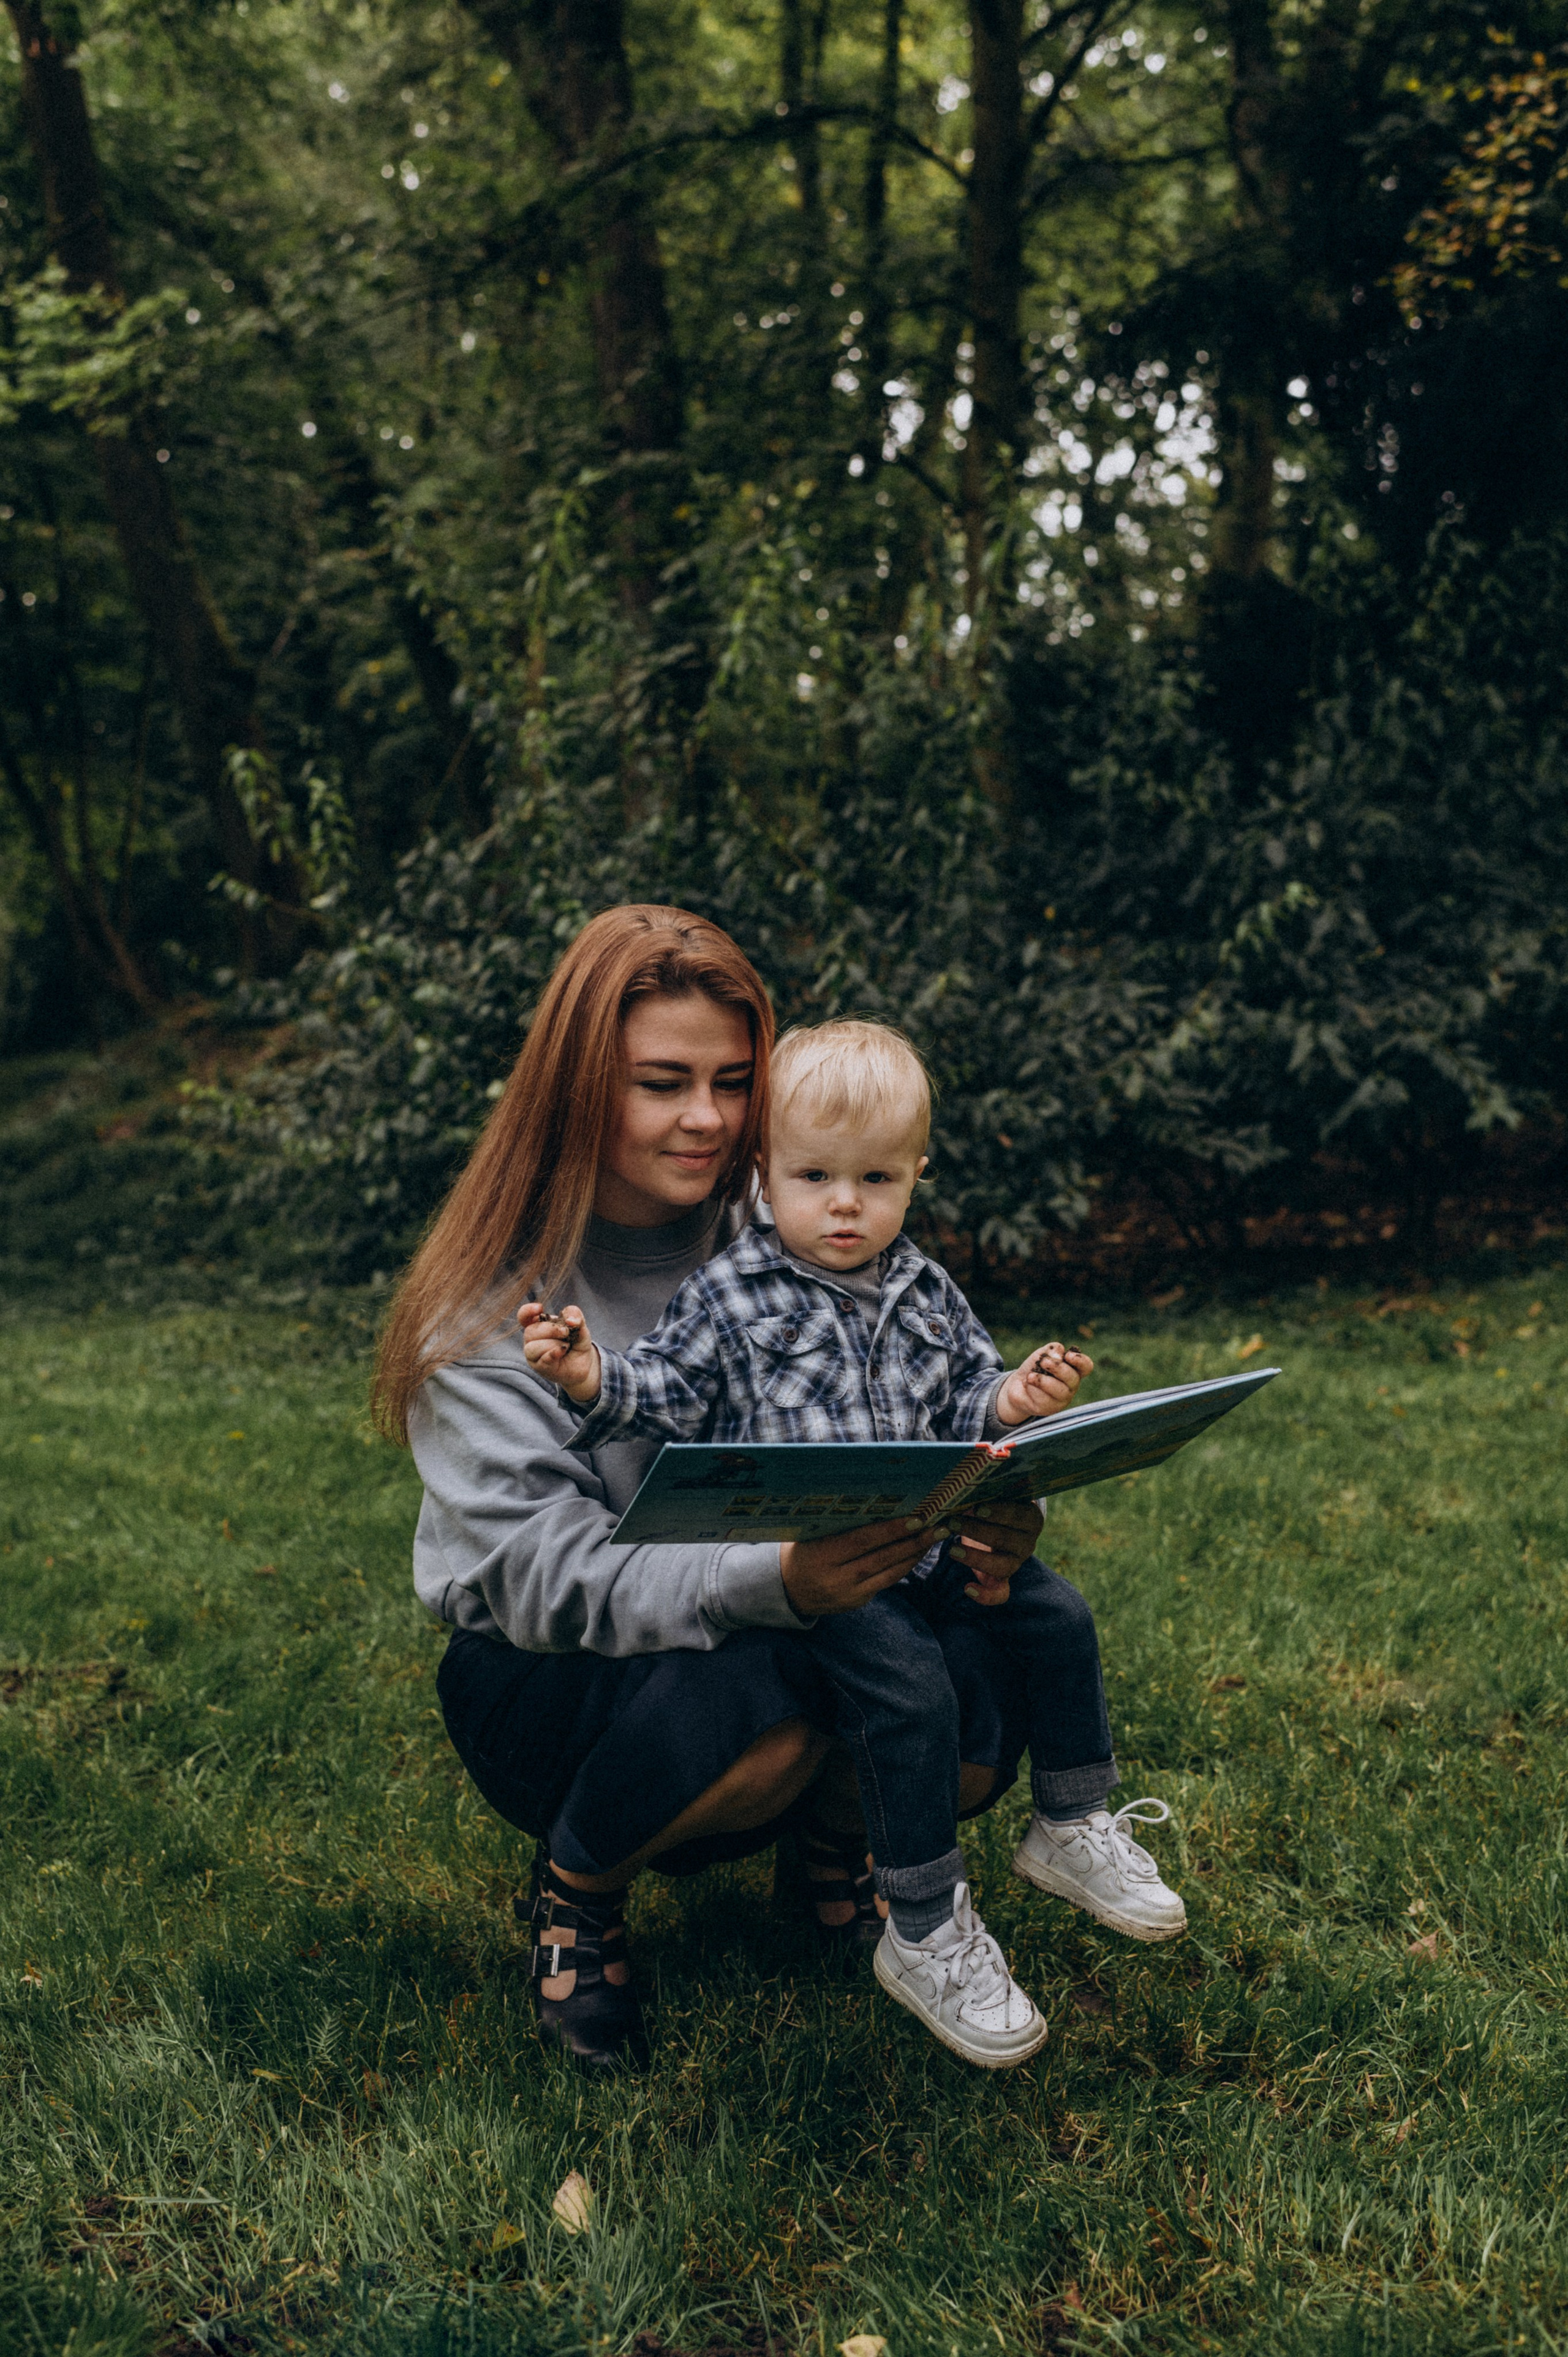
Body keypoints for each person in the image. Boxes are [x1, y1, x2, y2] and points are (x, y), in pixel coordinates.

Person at [372, 905, 1150, 2074]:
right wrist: (777, 1578)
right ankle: (579, 1892)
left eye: (733, 1081)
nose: (706, 1118)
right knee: (779, 1680)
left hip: (818, 1595)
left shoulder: (794, 1217)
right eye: (660, 1082)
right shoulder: (496, 1306)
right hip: (559, 1675)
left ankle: (844, 1850)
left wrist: (986, 1510)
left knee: (984, 1678)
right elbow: (542, 1577)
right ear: (578, 1090)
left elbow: (919, 1398)